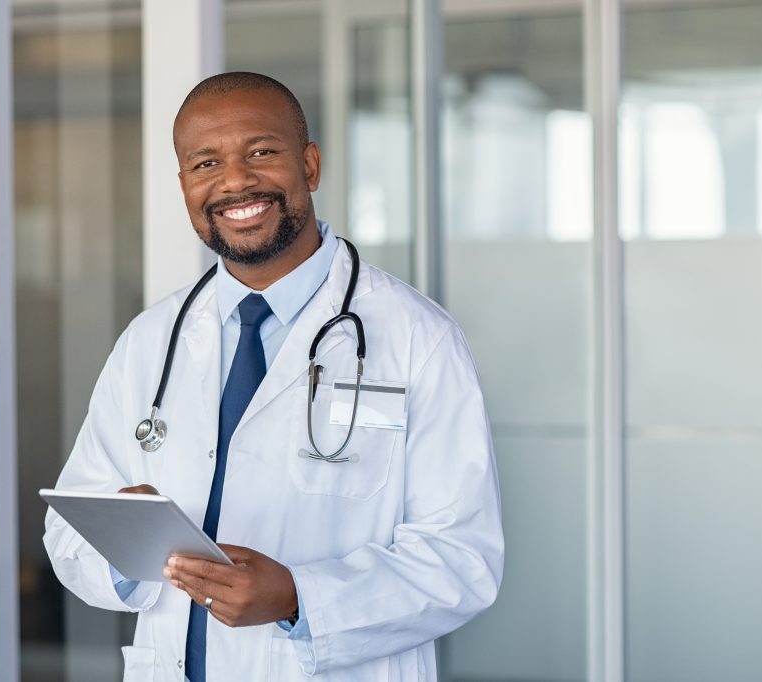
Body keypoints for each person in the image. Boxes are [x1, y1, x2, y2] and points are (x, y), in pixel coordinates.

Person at [44, 71, 504, 682]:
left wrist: (297, 598)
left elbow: (462, 558)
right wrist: (127, 550)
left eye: (261, 152)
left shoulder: (416, 337)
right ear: (184, 185)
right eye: (205, 163)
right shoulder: (150, 341)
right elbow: (70, 529)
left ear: (310, 166)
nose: (235, 181)